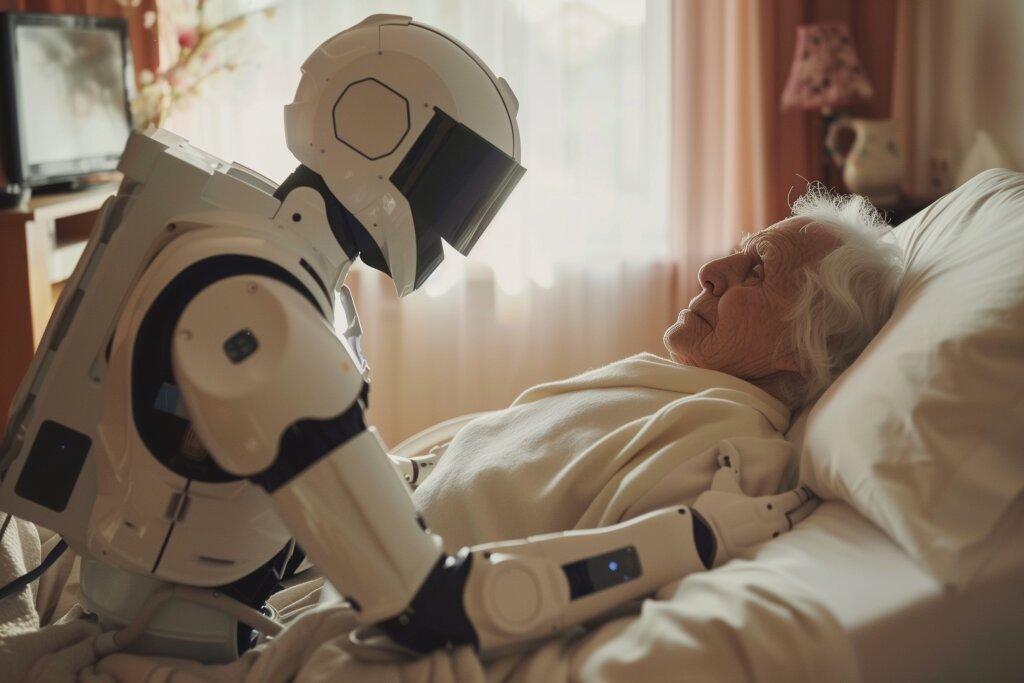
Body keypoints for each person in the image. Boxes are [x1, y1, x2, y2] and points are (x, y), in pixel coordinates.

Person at [412, 188, 903, 551]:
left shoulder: (727, 445)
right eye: (740, 249)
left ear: (803, 345)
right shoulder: (678, 390)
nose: (710, 270)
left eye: (757, 271)